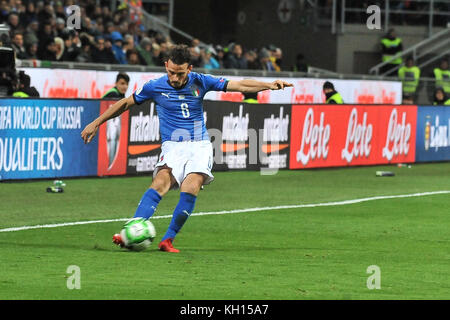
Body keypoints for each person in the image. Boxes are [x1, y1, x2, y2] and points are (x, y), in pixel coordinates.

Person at [81, 44, 293, 253]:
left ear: (189, 69)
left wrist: (268, 85)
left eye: (180, 74)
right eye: (171, 72)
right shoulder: (154, 86)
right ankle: (130, 232)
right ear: (166, 66)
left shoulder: (200, 81)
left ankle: (168, 240)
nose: (175, 78)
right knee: (160, 183)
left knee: (190, 187)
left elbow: (240, 86)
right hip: (172, 147)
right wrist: (96, 123)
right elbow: (125, 103)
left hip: (199, 146)